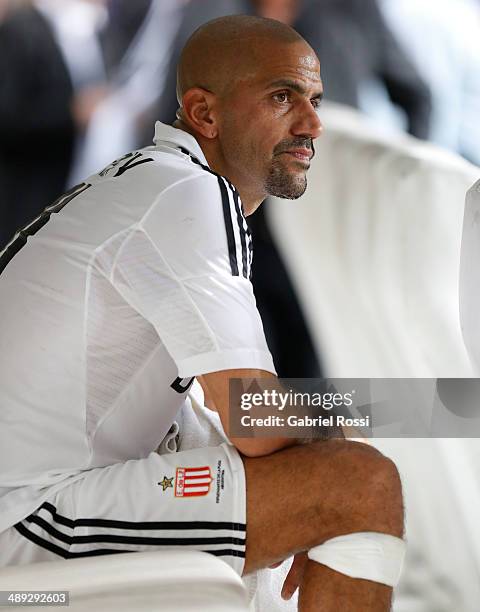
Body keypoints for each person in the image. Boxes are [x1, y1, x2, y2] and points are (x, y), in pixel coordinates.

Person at [0, 15, 404, 610]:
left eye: (315, 100)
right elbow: (251, 414)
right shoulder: (188, 195)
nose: (313, 123)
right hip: (27, 518)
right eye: (281, 97)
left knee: (309, 499)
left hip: (40, 496)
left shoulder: (155, 181)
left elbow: (209, 415)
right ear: (205, 113)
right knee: (361, 486)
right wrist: (339, 422)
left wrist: (304, 474)